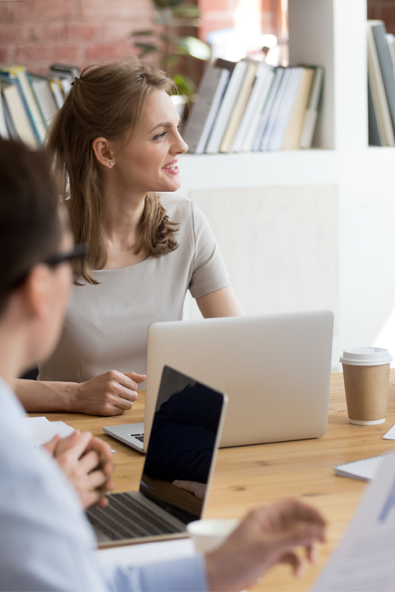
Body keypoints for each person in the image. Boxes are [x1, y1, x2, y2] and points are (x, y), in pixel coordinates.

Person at [0, 137, 326, 591]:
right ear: (39, 288)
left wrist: (216, 568)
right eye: (68, 258)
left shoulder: (19, 463)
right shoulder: (17, 475)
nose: (181, 144)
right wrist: (41, 498)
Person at [15, 56, 244, 417]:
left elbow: (242, 347)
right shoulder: (42, 235)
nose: (181, 145)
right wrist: (74, 396)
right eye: (160, 134)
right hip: (73, 445)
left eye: (177, 128)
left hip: (162, 433)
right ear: (106, 152)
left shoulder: (188, 223)